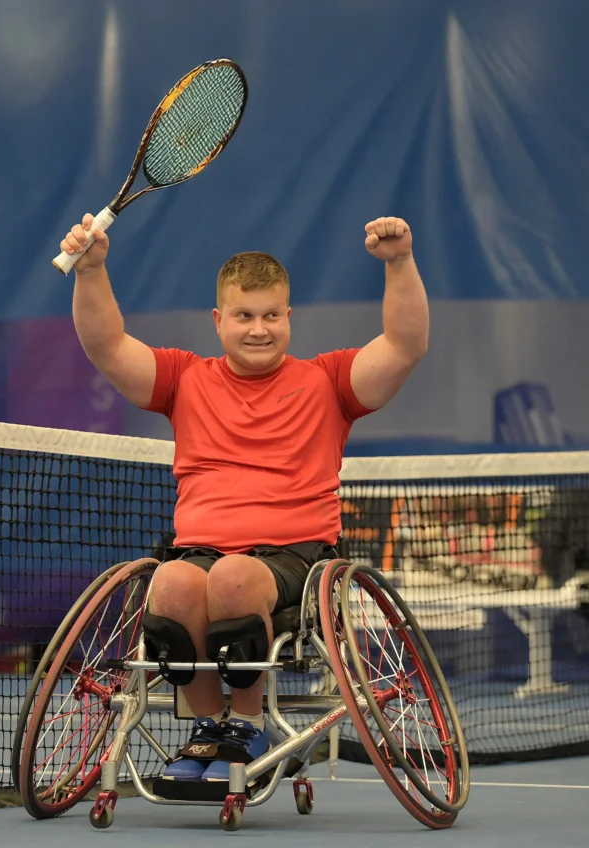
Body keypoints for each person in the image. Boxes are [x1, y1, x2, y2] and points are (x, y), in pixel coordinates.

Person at [60, 212, 429, 784]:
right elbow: (108, 346)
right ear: (219, 320)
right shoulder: (185, 378)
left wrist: (400, 262)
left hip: (294, 558)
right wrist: (91, 269)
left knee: (233, 578)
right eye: (244, 316)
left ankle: (248, 722)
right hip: (199, 550)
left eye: (271, 316)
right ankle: (210, 728)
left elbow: (405, 346)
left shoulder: (329, 382)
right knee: (173, 582)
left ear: (288, 317)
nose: (258, 329)